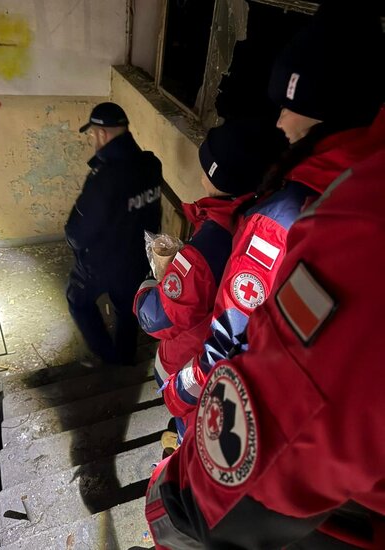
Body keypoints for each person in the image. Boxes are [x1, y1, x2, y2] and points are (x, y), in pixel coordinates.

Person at [160, 0, 385, 434]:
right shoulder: (358, 180)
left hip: (246, 403)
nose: (279, 121)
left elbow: (229, 333)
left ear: (327, 110)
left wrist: (178, 395)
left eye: (289, 105)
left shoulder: (278, 215)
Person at [145, 146, 385, 550]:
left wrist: (174, 395)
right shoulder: (337, 184)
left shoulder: (273, 222)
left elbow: (218, 335)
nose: (284, 121)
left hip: (217, 415)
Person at [133, 117, 285, 442]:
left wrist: (148, 285)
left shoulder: (207, 245)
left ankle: (182, 445)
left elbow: (157, 318)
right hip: (223, 367)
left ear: (214, 174)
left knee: (192, 426)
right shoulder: (253, 215)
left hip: (191, 365)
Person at [65, 102, 162, 365]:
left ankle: (108, 357)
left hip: (101, 264)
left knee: (78, 301)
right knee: (127, 310)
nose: (93, 140)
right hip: (138, 260)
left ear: (102, 133)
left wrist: (80, 253)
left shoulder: (103, 178)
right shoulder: (151, 165)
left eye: (93, 135)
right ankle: (125, 357)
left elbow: (77, 232)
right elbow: (152, 214)